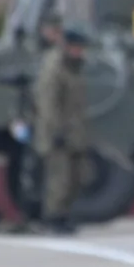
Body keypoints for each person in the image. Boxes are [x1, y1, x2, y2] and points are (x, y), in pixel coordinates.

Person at [32, 26, 90, 234]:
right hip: (57, 133)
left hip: (74, 133)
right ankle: (54, 217)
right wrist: (56, 131)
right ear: (67, 46)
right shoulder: (54, 67)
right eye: (76, 48)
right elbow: (48, 104)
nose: (80, 52)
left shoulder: (74, 67)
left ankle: (64, 214)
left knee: (76, 178)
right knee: (60, 178)